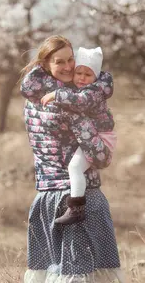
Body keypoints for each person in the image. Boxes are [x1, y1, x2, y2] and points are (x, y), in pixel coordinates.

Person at [20, 35, 125, 283]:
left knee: (50, 269)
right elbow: (100, 156)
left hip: (45, 196)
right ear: (46, 64)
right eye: (60, 62)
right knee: (78, 273)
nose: (68, 67)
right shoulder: (67, 100)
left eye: (71, 60)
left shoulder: (33, 98)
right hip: (76, 199)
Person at [40, 46, 118, 225]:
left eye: (88, 74)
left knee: (74, 167)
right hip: (91, 136)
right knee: (74, 166)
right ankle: (76, 206)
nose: (82, 78)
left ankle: (76, 208)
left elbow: (81, 102)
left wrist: (57, 95)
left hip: (101, 138)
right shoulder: (79, 89)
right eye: (79, 73)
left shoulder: (93, 92)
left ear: (96, 77)